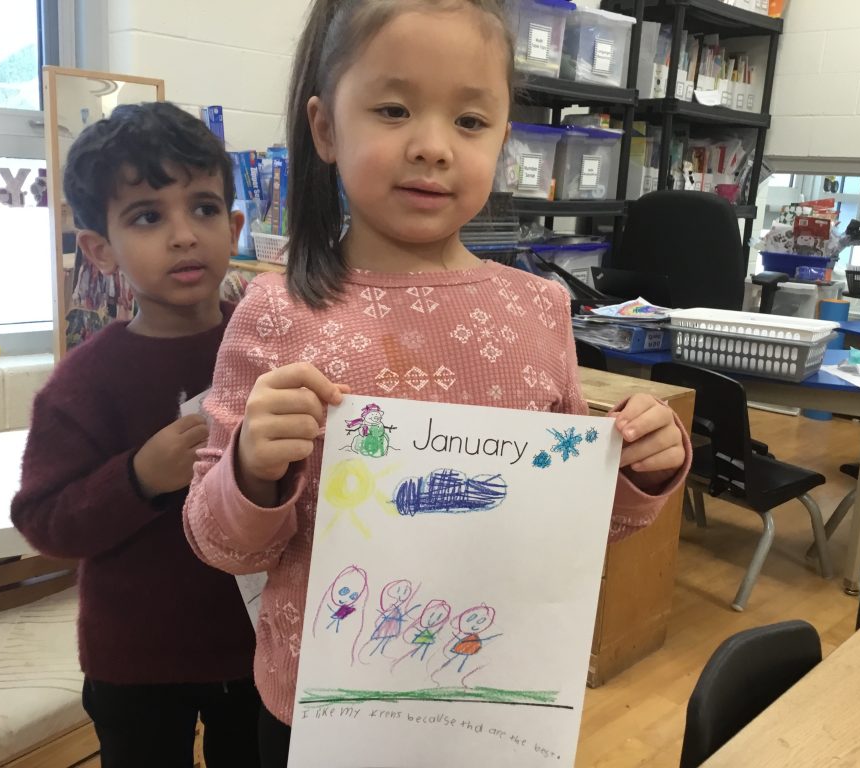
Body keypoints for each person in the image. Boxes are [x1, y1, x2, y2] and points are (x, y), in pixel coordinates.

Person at [183, 2, 692, 765]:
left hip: (491, 706)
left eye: (470, 121)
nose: (432, 146)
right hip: (322, 712)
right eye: (393, 110)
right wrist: (252, 471)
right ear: (325, 127)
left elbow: (576, 527)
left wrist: (640, 467)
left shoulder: (538, 309)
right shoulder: (277, 312)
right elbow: (220, 542)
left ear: (504, 139)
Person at [11, 102, 260, 767]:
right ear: (100, 249)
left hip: (259, 641)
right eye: (147, 216)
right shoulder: (84, 382)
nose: (184, 235)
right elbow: (42, 519)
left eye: (204, 208)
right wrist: (139, 477)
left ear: (234, 227)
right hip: (137, 658)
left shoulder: (268, 346)